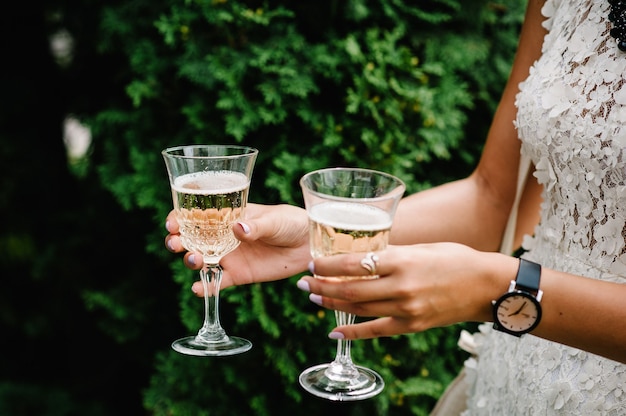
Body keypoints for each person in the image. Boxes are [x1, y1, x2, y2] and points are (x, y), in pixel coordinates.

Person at [165, 0, 626, 413]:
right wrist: (310, 238)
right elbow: (491, 198)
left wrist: (497, 286)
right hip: (516, 369)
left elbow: (494, 267)